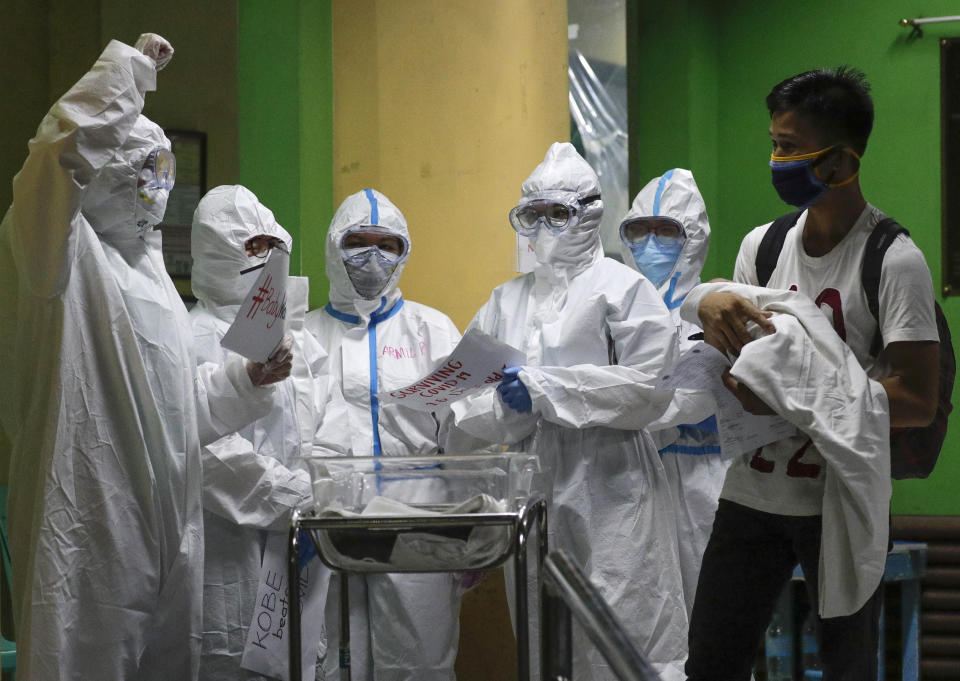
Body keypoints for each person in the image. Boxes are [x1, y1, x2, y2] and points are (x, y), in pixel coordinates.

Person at [0, 36, 290, 681]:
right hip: (84, 525)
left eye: (166, 173)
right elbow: (53, 160)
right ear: (105, 167)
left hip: (165, 528)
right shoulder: (57, 257)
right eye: (145, 171)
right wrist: (126, 76)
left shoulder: (152, 274)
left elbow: (172, 409)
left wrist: (245, 380)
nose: (158, 190)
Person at [681, 67, 940, 681]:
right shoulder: (763, 247)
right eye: (774, 142)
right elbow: (735, 361)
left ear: (842, 159)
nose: (777, 159)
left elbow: (917, 398)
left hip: (839, 498)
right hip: (749, 493)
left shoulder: (893, 260)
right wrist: (709, 311)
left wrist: (799, 400)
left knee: (847, 667)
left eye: (792, 148)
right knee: (712, 664)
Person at [452, 142, 691, 681]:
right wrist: (507, 411)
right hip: (532, 477)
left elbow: (650, 389)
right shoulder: (504, 299)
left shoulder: (624, 290)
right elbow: (467, 394)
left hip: (613, 480)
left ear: (589, 213)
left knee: (623, 623)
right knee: (541, 629)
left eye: (557, 214)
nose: (543, 227)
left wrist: (545, 391)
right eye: (532, 215)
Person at [304, 188, 472, 681]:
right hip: (329, 518)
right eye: (359, 241)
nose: (373, 257)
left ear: (404, 252)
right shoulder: (304, 334)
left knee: (418, 660)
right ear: (335, 245)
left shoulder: (432, 329)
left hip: (419, 519)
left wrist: (470, 525)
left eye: (388, 244)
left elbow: (464, 436)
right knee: (332, 656)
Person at [189, 185, 330, 681]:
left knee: (298, 658)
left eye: (272, 244)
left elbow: (322, 431)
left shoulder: (300, 341)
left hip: (300, 539)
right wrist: (293, 501)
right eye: (250, 246)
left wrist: (320, 501)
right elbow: (203, 453)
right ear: (213, 250)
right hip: (227, 548)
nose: (265, 257)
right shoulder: (192, 337)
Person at [618, 168, 731, 619]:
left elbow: (689, 396)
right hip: (630, 477)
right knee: (643, 615)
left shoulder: (714, 306)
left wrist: (597, 400)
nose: (650, 242)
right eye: (640, 230)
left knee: (712, 620)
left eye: (667, 230)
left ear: (693, 237)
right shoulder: (615, 307)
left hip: (703, 481)